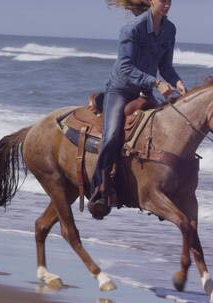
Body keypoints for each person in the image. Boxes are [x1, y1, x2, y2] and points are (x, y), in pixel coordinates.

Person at [89, 0, 186, 219]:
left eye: (170, 1)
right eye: (163, 0)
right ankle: (99, 190)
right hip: (120, 90)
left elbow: (166, 67)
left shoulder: (170, 29)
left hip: (144, 92)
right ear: (151, 1)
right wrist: (156, 83)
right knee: (113, 135)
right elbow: (124, 67)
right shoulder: (133, 29)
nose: (167, 4)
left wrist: (177, 82)